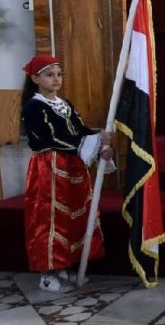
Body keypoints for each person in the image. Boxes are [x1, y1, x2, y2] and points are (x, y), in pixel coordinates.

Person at [21, 55, 114, 294]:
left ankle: (64, 265)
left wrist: (98, 137)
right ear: (35, 78)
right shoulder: (34, 106)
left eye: (59, 74)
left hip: (72, 166)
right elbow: (49, 137)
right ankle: (47, 272)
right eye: (49, 74)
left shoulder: (66, 104)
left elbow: (79, 130)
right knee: (49, 219)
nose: (56, 79)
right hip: (49, 167)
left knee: (72, 217)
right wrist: (88, 143)